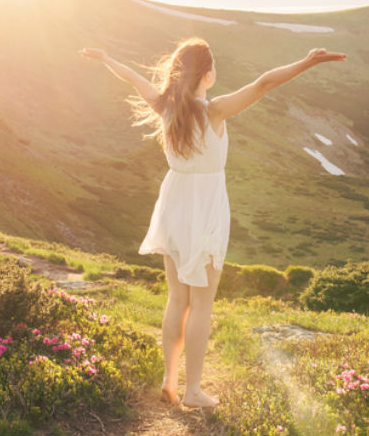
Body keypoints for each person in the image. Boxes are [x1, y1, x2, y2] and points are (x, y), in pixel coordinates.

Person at [80, 38, 346, 408]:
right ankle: (192, 392)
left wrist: (106, 58)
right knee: (201, 304)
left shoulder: (164, 107)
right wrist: (305, 63)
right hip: (205, 208)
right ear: (207, 75)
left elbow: (131, 78)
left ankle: (170, 381)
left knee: (177, 299)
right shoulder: (215, 111)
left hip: (173, 204)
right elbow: (263, 84)